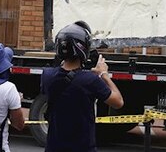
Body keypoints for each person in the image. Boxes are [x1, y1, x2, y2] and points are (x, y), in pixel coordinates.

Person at [40, 21, 124, 152]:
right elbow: (118, 102)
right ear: (83, 49)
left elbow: (62, 71)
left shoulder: (47, 76)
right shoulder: (90, 80)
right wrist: (104, 74)